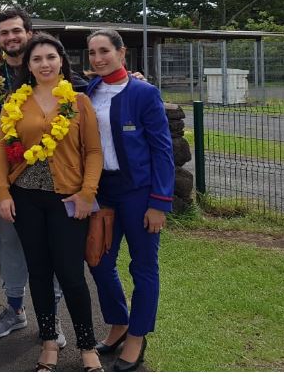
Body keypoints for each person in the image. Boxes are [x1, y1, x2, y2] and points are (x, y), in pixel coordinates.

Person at [0, 33, 104, 372]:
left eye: (51, 58)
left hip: (67, 198)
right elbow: (0, 149)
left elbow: (94, 152)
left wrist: (88, 193)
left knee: (71, 274)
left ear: (62, 61)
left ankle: (86, 346)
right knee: (39, 274)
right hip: (25, 198)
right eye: (37, 59)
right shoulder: (15, 101)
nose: (45, 64)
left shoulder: (79, 101)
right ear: (28, 65)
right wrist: (2, 191)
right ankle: (49, 342)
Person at [0, 7, 69, 345]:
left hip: (48, 177)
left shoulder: (46, 71)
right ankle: (15, 309)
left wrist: (130, 77)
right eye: (5, 33)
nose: (11, 37)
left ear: (29, 32)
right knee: (8, 245)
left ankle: (51, 316)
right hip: (2, 178)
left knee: (50, 247)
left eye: (17, 31)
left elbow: (86, 93)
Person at [84, 29, 174, 372]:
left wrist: (159, 203)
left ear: (122, 53)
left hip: (139, 193)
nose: (98, 58)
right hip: (103, 192)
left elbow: (163, 150)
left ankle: (137, 336)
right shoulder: (89, 91)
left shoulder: (143, 92)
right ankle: (119, 323)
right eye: (92, 52)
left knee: (143, 267)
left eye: (105, 50)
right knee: (99, 261)